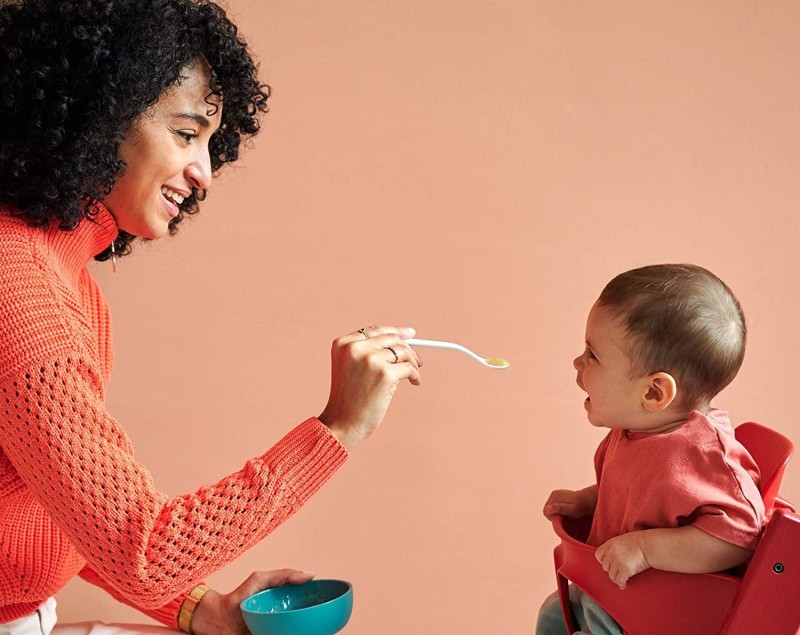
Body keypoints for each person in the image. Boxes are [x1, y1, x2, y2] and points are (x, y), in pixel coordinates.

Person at [0, 1, 423, 634]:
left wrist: (203, 609)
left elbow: (63, 516)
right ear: (99, 113)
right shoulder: (23, 294)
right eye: (185, 132)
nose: (203, 172)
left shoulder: (60, 276)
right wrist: (339, 427)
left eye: (210, 143)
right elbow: (144, 552)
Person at [535, 264, 766, 635]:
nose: (577, 363)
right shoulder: (637, 430)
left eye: (593, 355)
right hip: (612, 590)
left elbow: (739, 537)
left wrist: (645, 550)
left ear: (654, 393)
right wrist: (589, 500)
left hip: (655, 612)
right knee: (551, 615)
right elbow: (647, 496)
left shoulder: (703, 456)